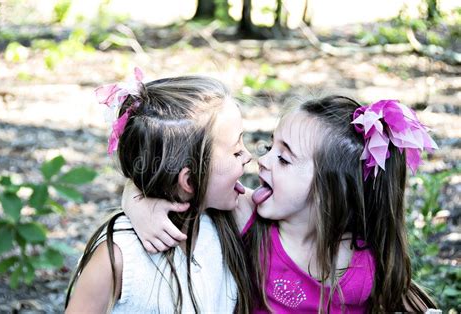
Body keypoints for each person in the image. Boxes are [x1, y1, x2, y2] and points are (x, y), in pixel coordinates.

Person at [123, 95, 439, 312]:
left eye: (284, 159)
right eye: (269, 146)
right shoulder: (247, 214)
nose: (262, 161)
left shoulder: (370, 258)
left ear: (330, 192)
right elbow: (179, 176)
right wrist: (136, 198)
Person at [64, 68, 253, 313]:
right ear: (189, 181)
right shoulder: (118, 259)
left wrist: (133, 196)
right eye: (236, 151)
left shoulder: (227, 220)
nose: (249, 156)